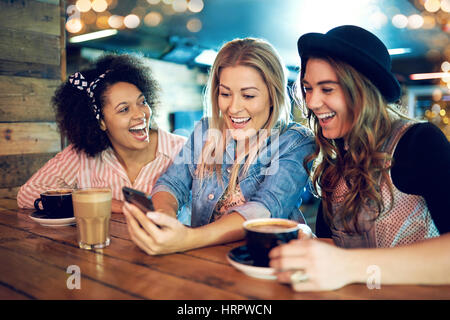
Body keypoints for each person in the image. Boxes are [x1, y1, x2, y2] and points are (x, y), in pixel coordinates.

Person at [269, 25, 450, 291]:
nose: (311, 102)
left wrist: (347, 265)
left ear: (363, 91)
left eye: (327, 89)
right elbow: (334, 246)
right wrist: (307, 247)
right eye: (308, 88)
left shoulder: (419, 142)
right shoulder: (335, 159)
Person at [122, 38, 315, 255]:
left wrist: (188, 238)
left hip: (264, 263)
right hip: (204, 259)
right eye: (225, 94)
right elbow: (172, 183)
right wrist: (163, 219)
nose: (233, 108)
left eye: (248, 95)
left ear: (273, 95)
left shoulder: (295, 141)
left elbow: (264, 209)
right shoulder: (206, 131)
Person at [17, 54, 187, 213]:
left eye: (142, 102)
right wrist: (110, 204)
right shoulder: (80, 156)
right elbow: (27, 194)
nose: (140, 114)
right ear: (101, 122)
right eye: (124, 109)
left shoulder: (182, 149)